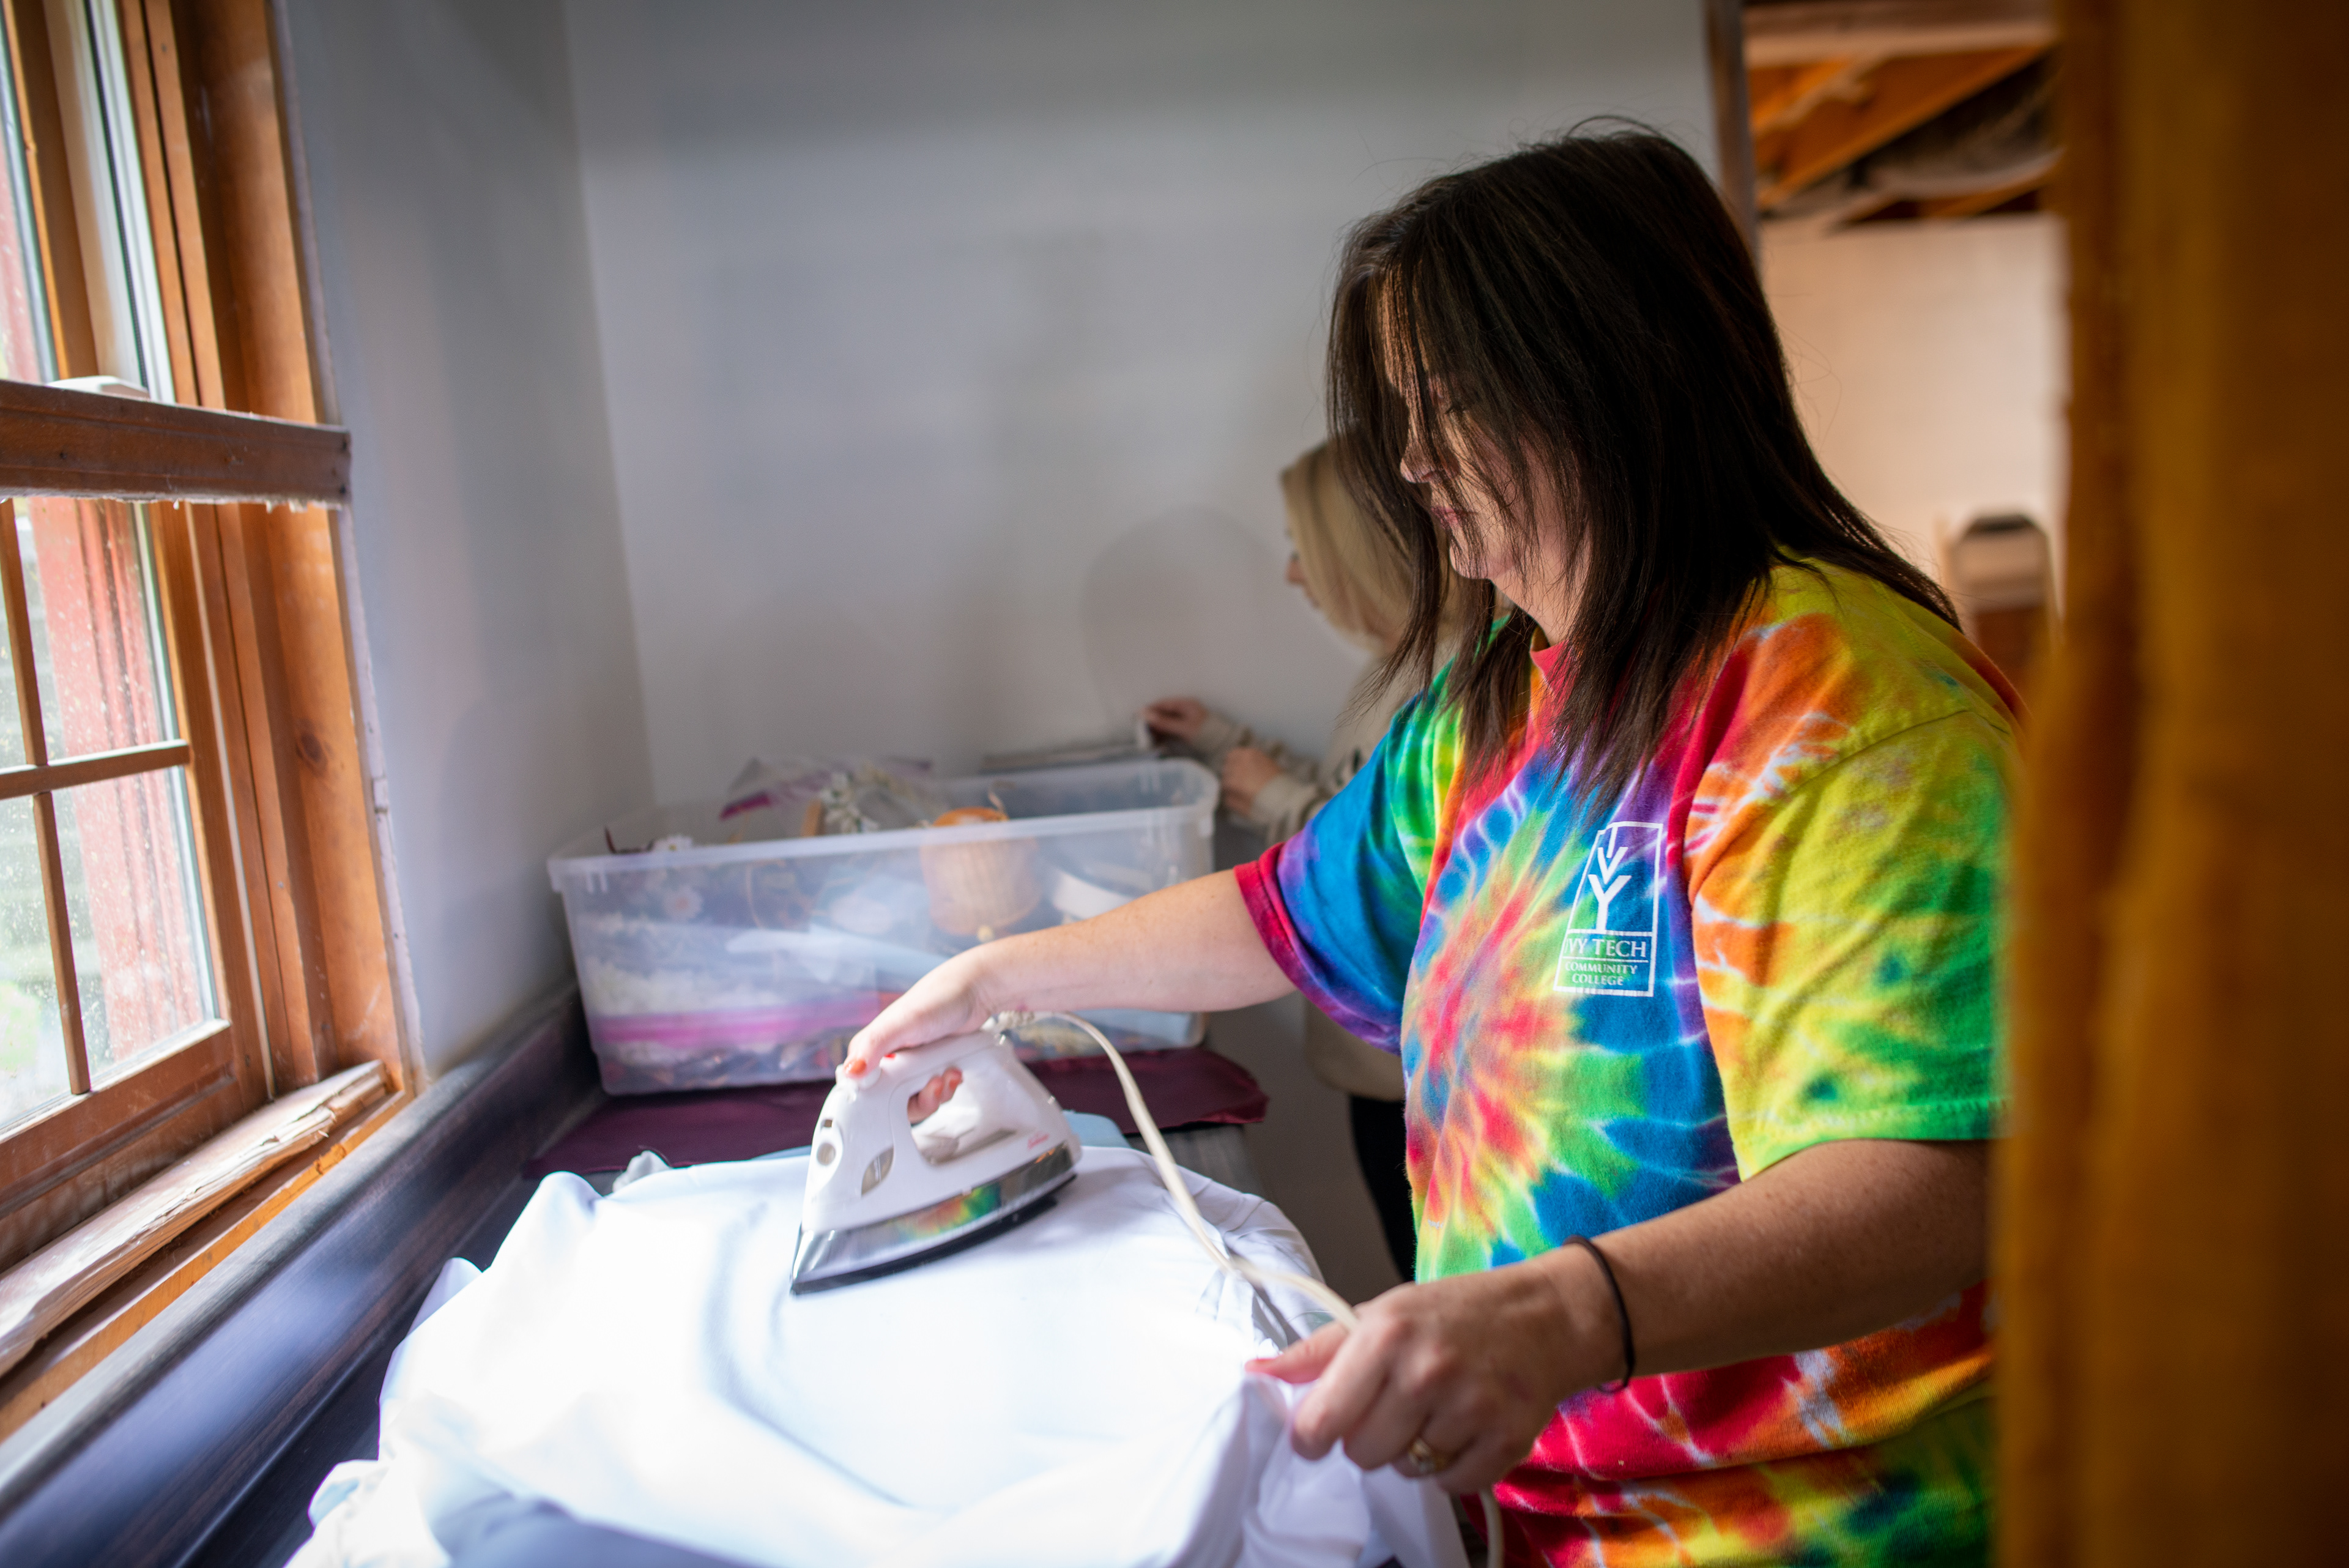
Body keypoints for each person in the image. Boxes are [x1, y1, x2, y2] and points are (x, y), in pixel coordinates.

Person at [849, 127, 2011, 1566]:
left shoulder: (1844, 709)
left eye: (1446, 408)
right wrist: (996, 979)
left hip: (1816, 1528)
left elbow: (1933, 1182)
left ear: (1606, 385)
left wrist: (1569, 1312)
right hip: (1548, 1515)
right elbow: (1280, 912)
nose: (1409, 463)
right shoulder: (1496, 709)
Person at [1141, 439, 1471, 1279]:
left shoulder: (1448, 682)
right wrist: (1228, 745)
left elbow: (1393, 865)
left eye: (1303, 548)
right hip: (1380, 1072)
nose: (1293, 574)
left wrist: (1280, 802)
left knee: (1435, 1278)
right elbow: (1351, 799)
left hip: (1417, 1084)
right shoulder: (1392, 673)